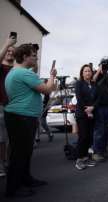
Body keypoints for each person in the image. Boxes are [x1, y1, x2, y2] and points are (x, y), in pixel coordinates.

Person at [4, 43, 57, 197]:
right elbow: (48, 89)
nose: (36, 57)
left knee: (24, 152)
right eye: (34, 55)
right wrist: (52, 76)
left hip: (20, 116)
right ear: (25, 56)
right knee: (19, 153)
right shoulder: (24, 74)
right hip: (22, 117)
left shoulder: (17, 72)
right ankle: (13, 188)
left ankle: (25, 179)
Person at [74, 64, 97, 170]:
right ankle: (79, 159)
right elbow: (79, 98)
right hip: (82, 114)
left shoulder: (93, 84)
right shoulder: (79, 83)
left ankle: (85, 158)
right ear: (82, 73)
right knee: (83, 136)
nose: (88, 73)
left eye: (89, 71)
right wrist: (87, 110)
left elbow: (98, 98)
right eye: (85, 71)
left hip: (92, 113)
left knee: (89, 137)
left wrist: (93, 107)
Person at [92, 61, 108, 162]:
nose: (105, 68)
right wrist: (99, 69)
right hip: (99, 107)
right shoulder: (95, 74)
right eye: (103, 66)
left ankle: (104, 149)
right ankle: (96, 152)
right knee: (99, 130)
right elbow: (92, 81)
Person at [0, 35, 16, 177]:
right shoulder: (1, 65)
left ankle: (9, 163)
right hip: (1, 105)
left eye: (12, 51)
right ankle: (1, 164)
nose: (10, 53)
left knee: (12, 138)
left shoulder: (16, 69)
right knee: (1, 138)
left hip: (15, 106)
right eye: (8, 51)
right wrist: (7, 44)